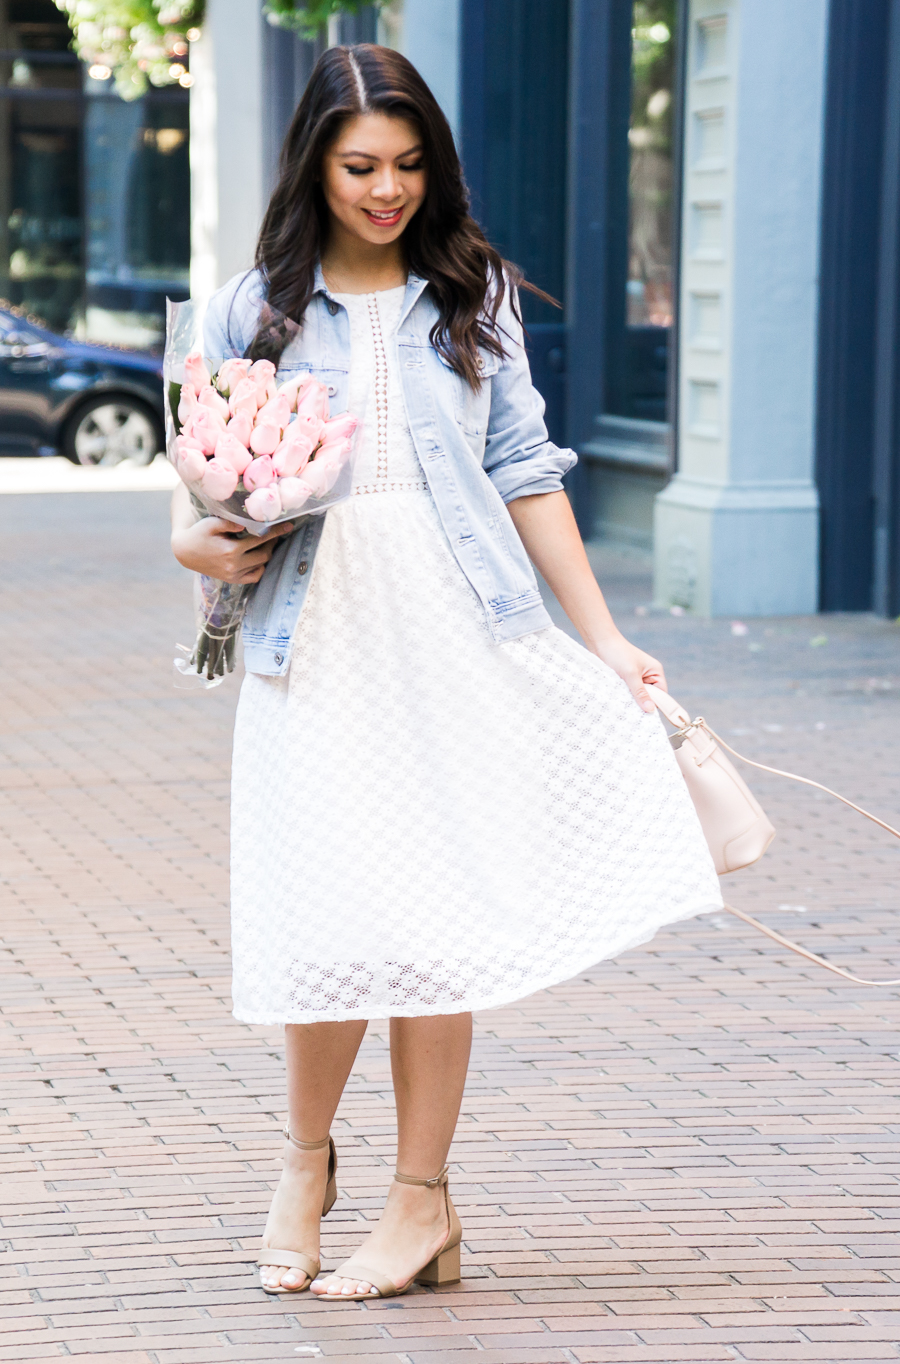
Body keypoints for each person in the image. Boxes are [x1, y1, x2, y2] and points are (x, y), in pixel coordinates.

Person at [170, 43, 720, 1302]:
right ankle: (304, 1163)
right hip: (314, 638)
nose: (387, 190)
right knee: (328, 916)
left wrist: (604, 636)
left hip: (453, 632)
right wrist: (207, 539)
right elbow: (192, 505)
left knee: (436, 920)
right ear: (315, 159)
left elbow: (525, 468)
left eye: (411, 165)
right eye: (362, 164)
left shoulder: (472, 295)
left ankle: (421, 1199)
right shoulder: (247, 310)